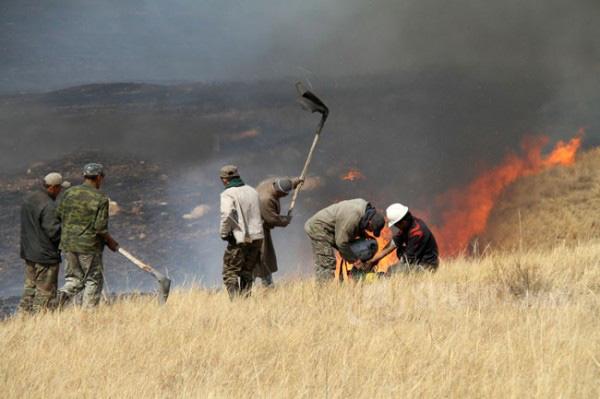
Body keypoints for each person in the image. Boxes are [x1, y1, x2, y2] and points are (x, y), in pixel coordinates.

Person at [57, 163, 119, 308]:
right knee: (93, 280)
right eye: (101, 178)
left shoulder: (69, 193)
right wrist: (110, 242)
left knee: (73, 279)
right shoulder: (100, 198)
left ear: (84, 176)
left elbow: (59, 215)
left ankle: (59, 298)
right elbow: (100, 228)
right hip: (89, 247)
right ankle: (88, 315)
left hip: (68, 244)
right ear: (98, 177)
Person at [18, 172, 69, 313]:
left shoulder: (29, 198)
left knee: (29, 289)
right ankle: (39, 321)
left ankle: (22, 318)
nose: (60, 192)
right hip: (45, 256)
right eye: (59, 188)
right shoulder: (48, 206)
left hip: (29, 252)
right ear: (52, 187)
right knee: (45, 292)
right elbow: (54, 232)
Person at [304, 199, 385, 281]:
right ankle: (324, 289)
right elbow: (341, 243)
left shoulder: (365, 210)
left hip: (335, 231)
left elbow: (359, 225)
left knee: (371, 245)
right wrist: (356, 260)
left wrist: (365, 236)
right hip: (318, 228)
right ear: (370, 222)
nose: (370, 231)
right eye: (371, 229)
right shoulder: (352, 217)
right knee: (327, 263)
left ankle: (358, 276)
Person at [219, 165, 264, 298]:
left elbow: (226, 214)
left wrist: (223, 233)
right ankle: (246, 302)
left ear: (225, 180)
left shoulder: (228, 194)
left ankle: (236, 304)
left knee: (230, 273)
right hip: (257, 236)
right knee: (247, 271)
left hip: (240, 237)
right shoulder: (252, 191)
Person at [254, 177, 302, 287]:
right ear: (279, 192)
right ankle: (266, 286)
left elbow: (287, 183)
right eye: (285, 194)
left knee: (263, 258)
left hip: (260, 226)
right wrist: (285, 220)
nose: (286, 195)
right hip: (256, 230)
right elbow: (272, 219)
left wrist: (296, 182)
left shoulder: (272, 183)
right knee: (262, 257)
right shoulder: (265, 199)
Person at [367, 203, 439, 273]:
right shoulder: (408, 225)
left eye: (396, 225)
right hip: (417, 258)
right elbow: (392, 244)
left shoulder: (417, 232)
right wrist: (373, 260)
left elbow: (407, 260)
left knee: (392, 270)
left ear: (403, 222)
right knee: (400, 250)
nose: (396, 227)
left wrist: (392, 270)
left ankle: (379, 277)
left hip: (427, 267)